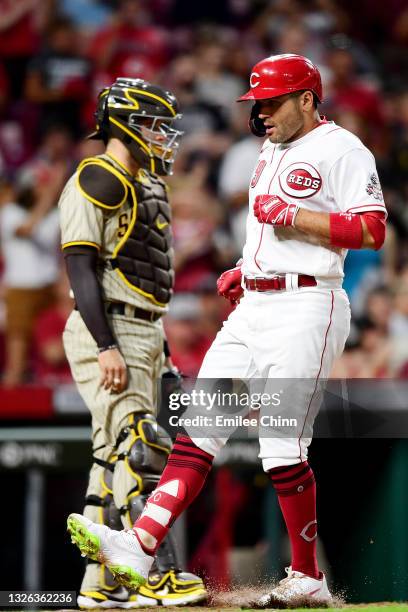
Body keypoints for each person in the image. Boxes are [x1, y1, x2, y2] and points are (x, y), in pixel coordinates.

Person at [67, 55, 387, 606]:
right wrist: (250, 267)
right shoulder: (269, 149)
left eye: (273, 102)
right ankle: (141, 545)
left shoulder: (343, 149)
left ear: (307, 99)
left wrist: (290, 218)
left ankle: (307, 575)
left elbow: (371, 229)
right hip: (256, 305)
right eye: (257, 102)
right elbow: (271, 227)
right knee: (199, 431)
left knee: (281, 443)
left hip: (308, 306)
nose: (261, 112)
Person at [60, 77, 206, 608]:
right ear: (124, 124)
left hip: (145, 328)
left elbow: (143, 275)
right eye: (151, 125)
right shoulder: (96, 177)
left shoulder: (146, 183)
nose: (161, 135)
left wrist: (160, 348)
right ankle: (156, 576)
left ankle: (102, 586)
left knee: (108, 462)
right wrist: (105, 344)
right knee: (140, 448)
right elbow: (81, 266)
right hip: (110, 330)